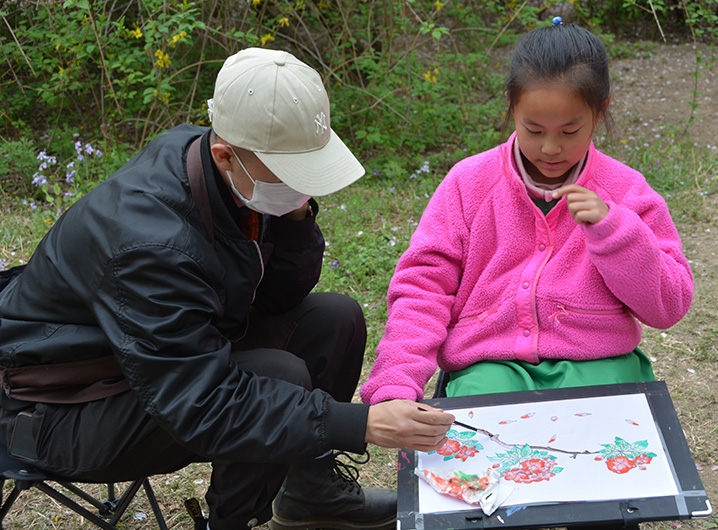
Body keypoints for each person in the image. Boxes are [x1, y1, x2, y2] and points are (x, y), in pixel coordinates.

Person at [0, 48, 455, 530]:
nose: (304, 188)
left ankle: (312, 494)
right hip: (56, 409)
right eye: (293, 177)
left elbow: (277, 298)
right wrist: (358, 424)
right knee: (278, 375)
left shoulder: (225, 174)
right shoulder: (149, 241)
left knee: (334, 319)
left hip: (145, 366)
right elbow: (202, 404)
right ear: (225, 154)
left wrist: (295, 215)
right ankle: (232, 523)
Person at [361, 20, 693, 443]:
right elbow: (424, 286)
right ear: (510, 107)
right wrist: (395, 382)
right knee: (481, 452)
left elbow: (669, 305)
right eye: (533, 129)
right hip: (491, 364)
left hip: (599, 361)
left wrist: (617, 233)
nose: (550, 148)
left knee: (602, 460)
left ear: (601, 111)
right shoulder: (470, 182)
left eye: (570, 131)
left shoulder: (626, 191)